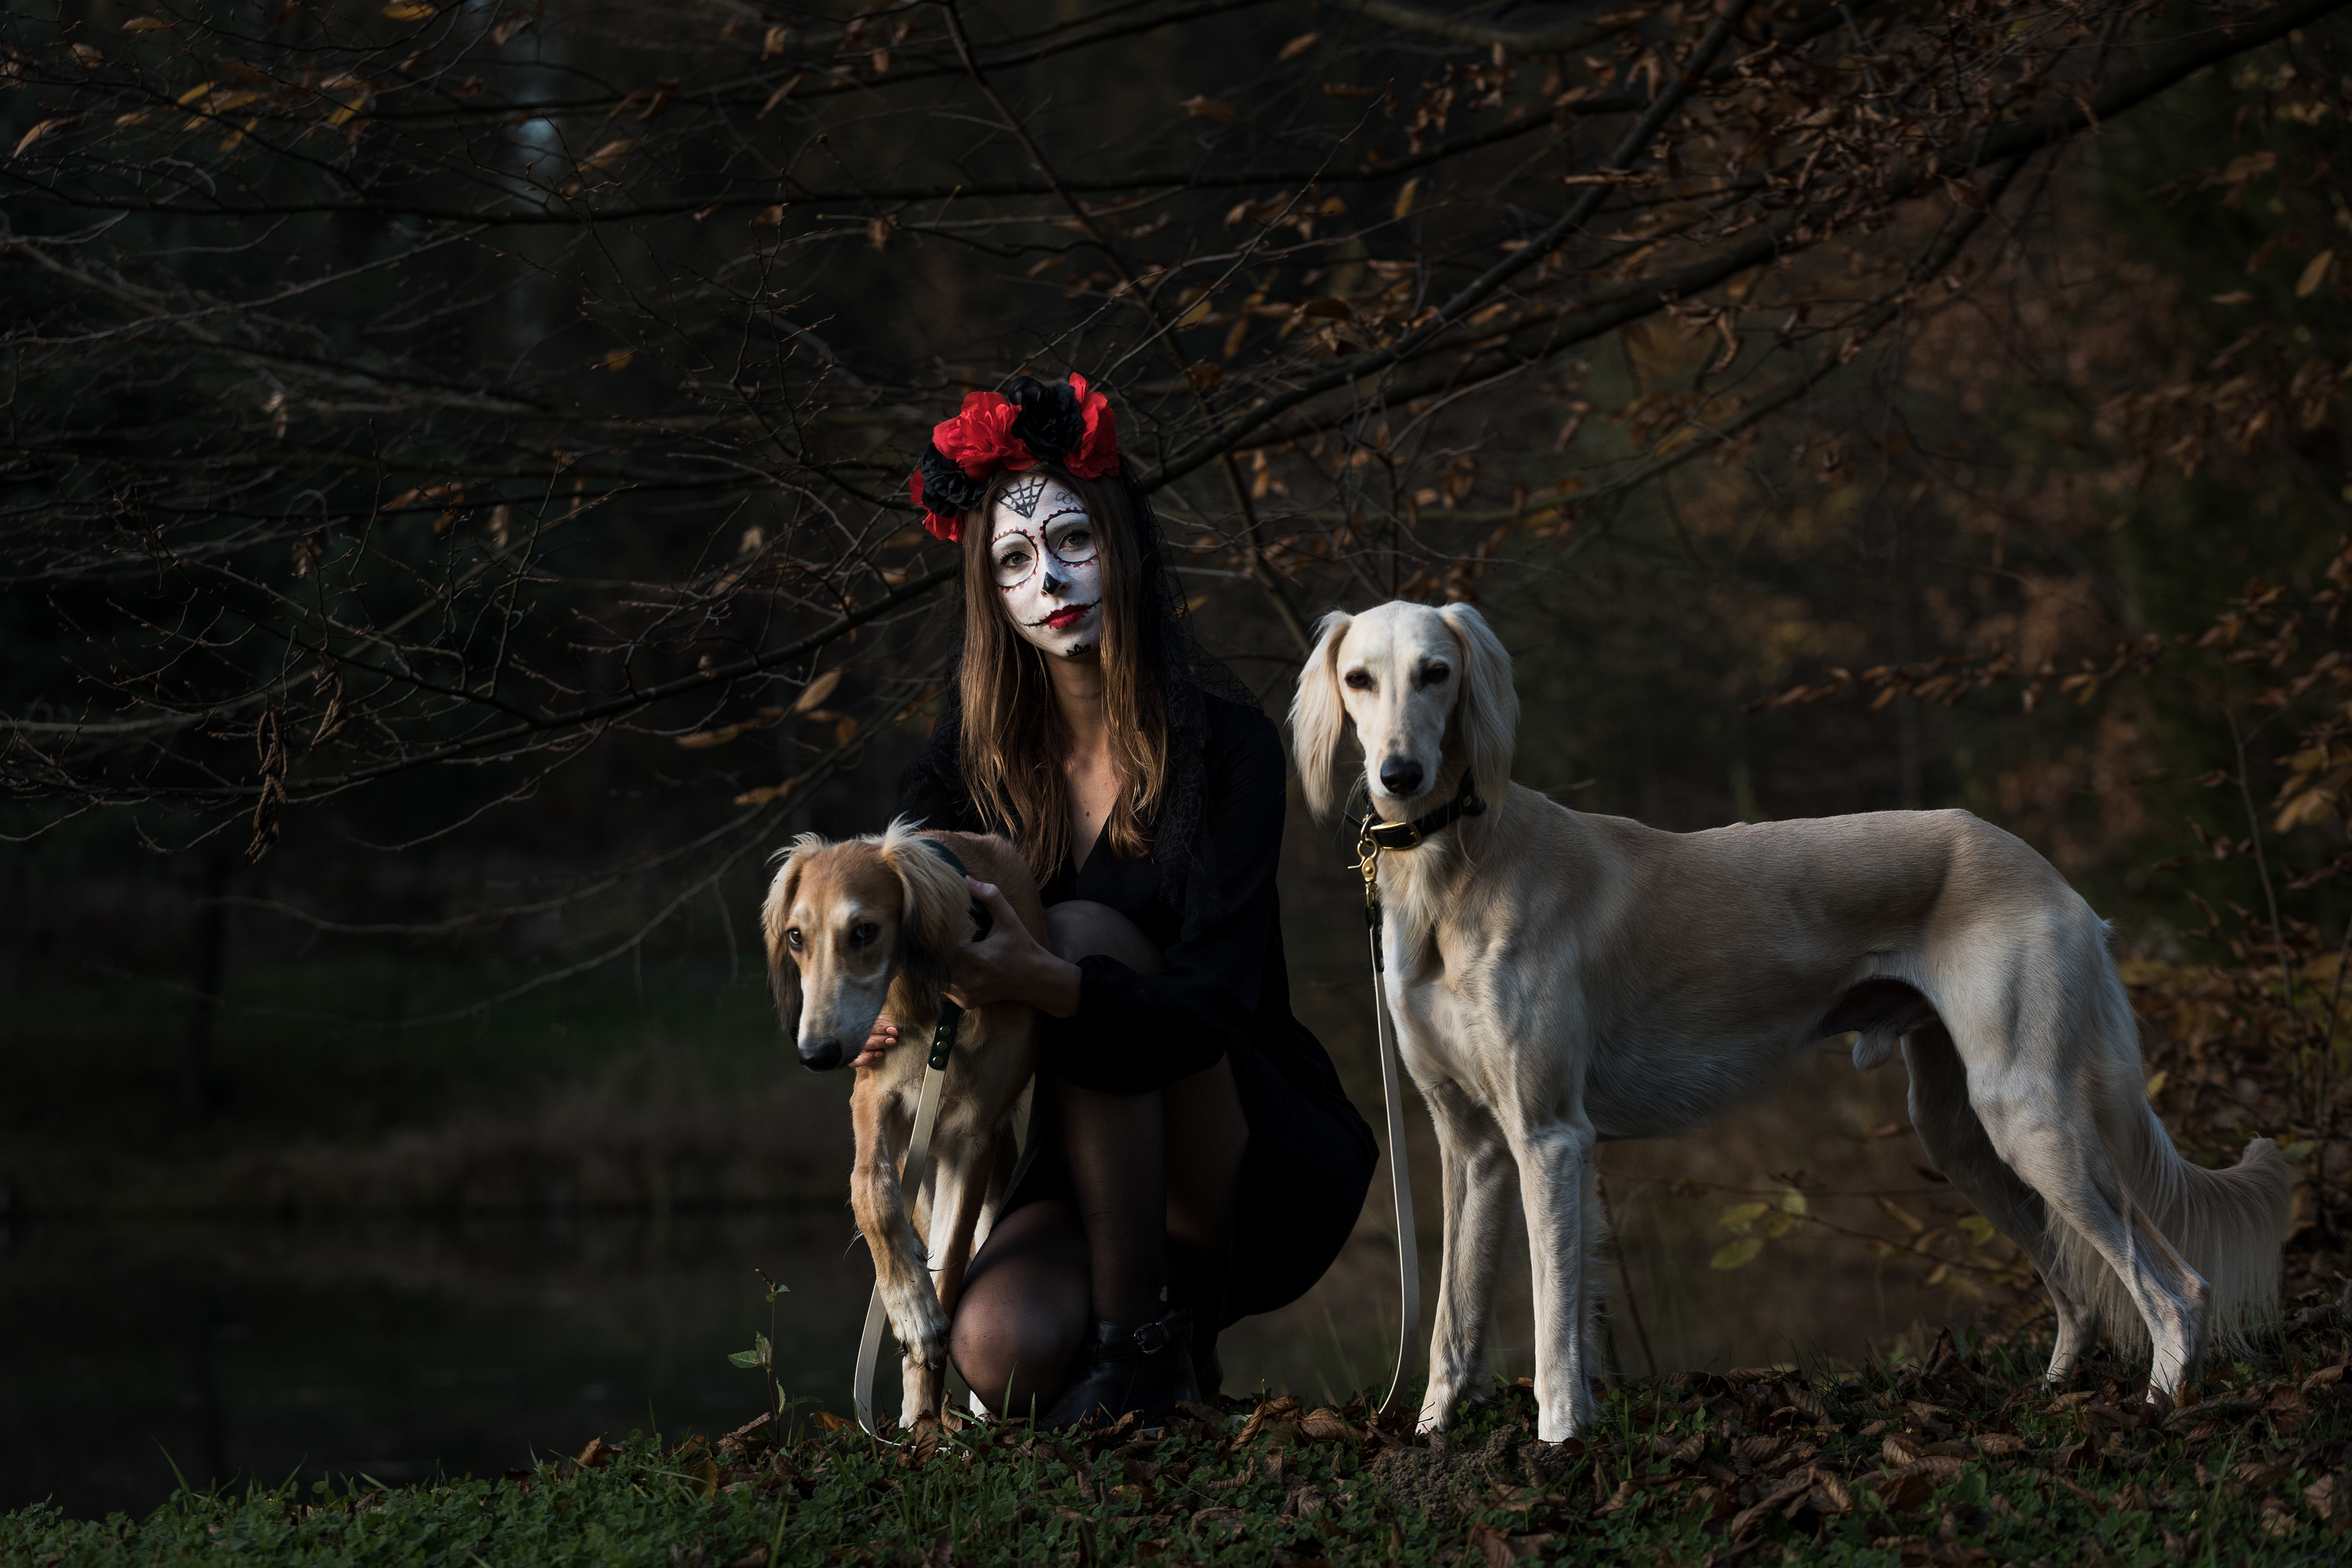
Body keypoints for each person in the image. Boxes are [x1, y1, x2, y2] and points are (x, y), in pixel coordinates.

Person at [863, 373, 1376, 1425]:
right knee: (998, 1349)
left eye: (1071, 540)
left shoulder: (1229, 747)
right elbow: (892, 888)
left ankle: (1142, 1350)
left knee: (1087, 931)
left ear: (1124, 546)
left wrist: (1048, 979)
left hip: (1241, 1144)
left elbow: (1211, 1003)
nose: (1049, 576)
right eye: (1014, 560)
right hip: (1086, 1157)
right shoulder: (968, 766)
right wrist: (883, 993)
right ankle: (1150, 1347)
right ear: (990, 594)